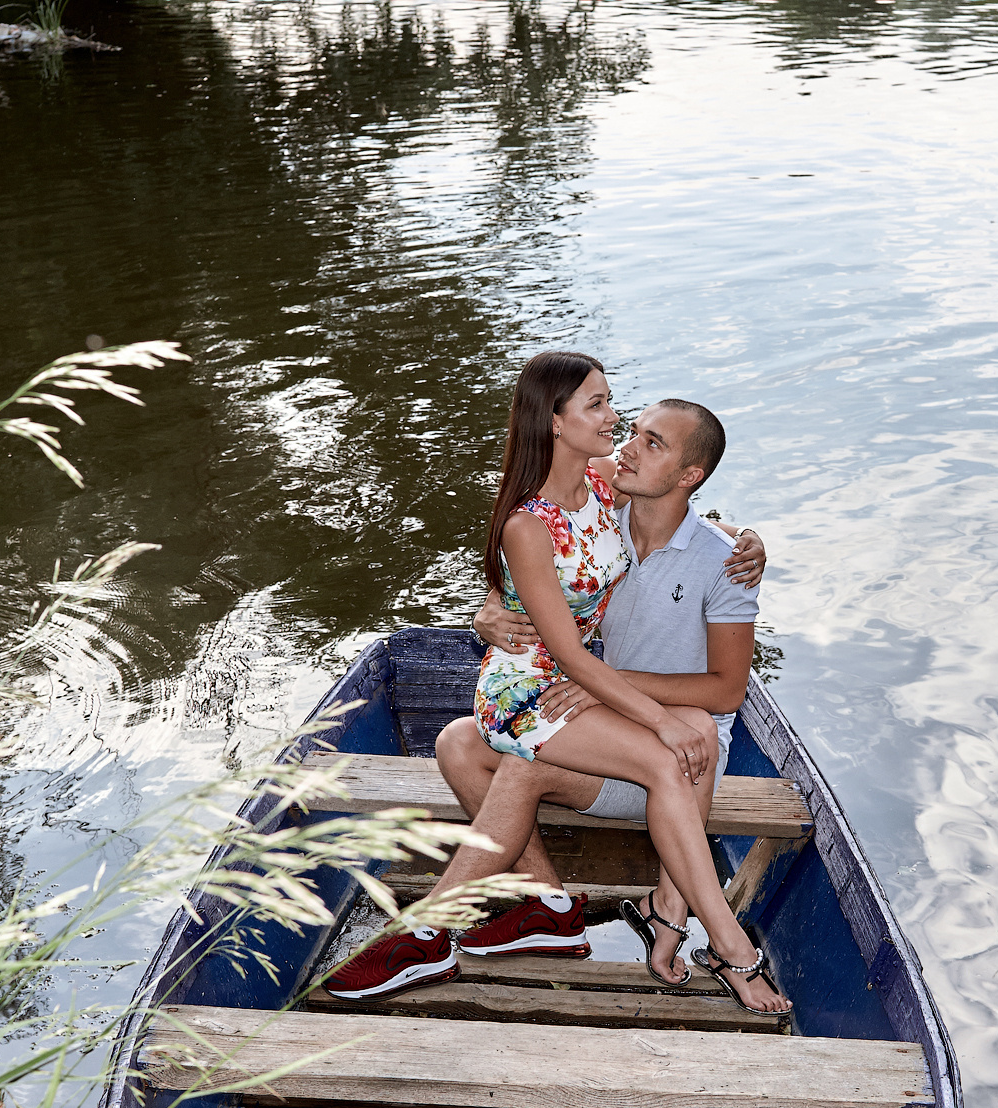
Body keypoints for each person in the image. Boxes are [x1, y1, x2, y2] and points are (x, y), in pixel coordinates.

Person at [327, 355, 790, 1013]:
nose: (618, 423)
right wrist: (653, 714)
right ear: (555, 419)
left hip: (566, 682)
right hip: (528, 691)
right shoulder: (528, 521)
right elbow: (551, 608)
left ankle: (549, 908)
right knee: (623, 755)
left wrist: (748, 536)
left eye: (615, 406)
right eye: (599, 406)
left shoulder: (608, 481)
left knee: (470, 749)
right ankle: (427, 933)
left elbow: (686, 503)